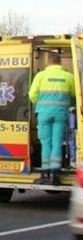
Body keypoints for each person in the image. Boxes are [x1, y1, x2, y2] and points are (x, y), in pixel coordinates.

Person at [28, 52, 75, 184]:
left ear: (48, 62)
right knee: (57, 143)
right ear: (59, 62)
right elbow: (74, 94)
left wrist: (41, 103)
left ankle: (45, 174)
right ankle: (55, 174)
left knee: (46, 143)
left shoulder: (41, 76)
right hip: (61, 114)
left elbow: (32, 95)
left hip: (44, 114)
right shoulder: (68, 76)